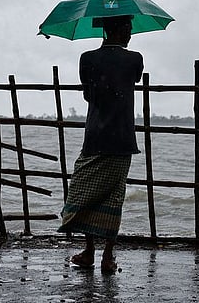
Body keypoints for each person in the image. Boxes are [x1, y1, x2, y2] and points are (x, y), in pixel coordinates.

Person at [58, 15, 144, 273]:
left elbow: (87, 93)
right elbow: (131, 81)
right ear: (116, 30)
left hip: (95, 136)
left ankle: (90, 251)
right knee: (113, 197)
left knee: (84, 193)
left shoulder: (87, 59)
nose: (130, 33)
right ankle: (107, 256)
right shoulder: (134, 59)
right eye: (127, 28)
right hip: (122, 138)